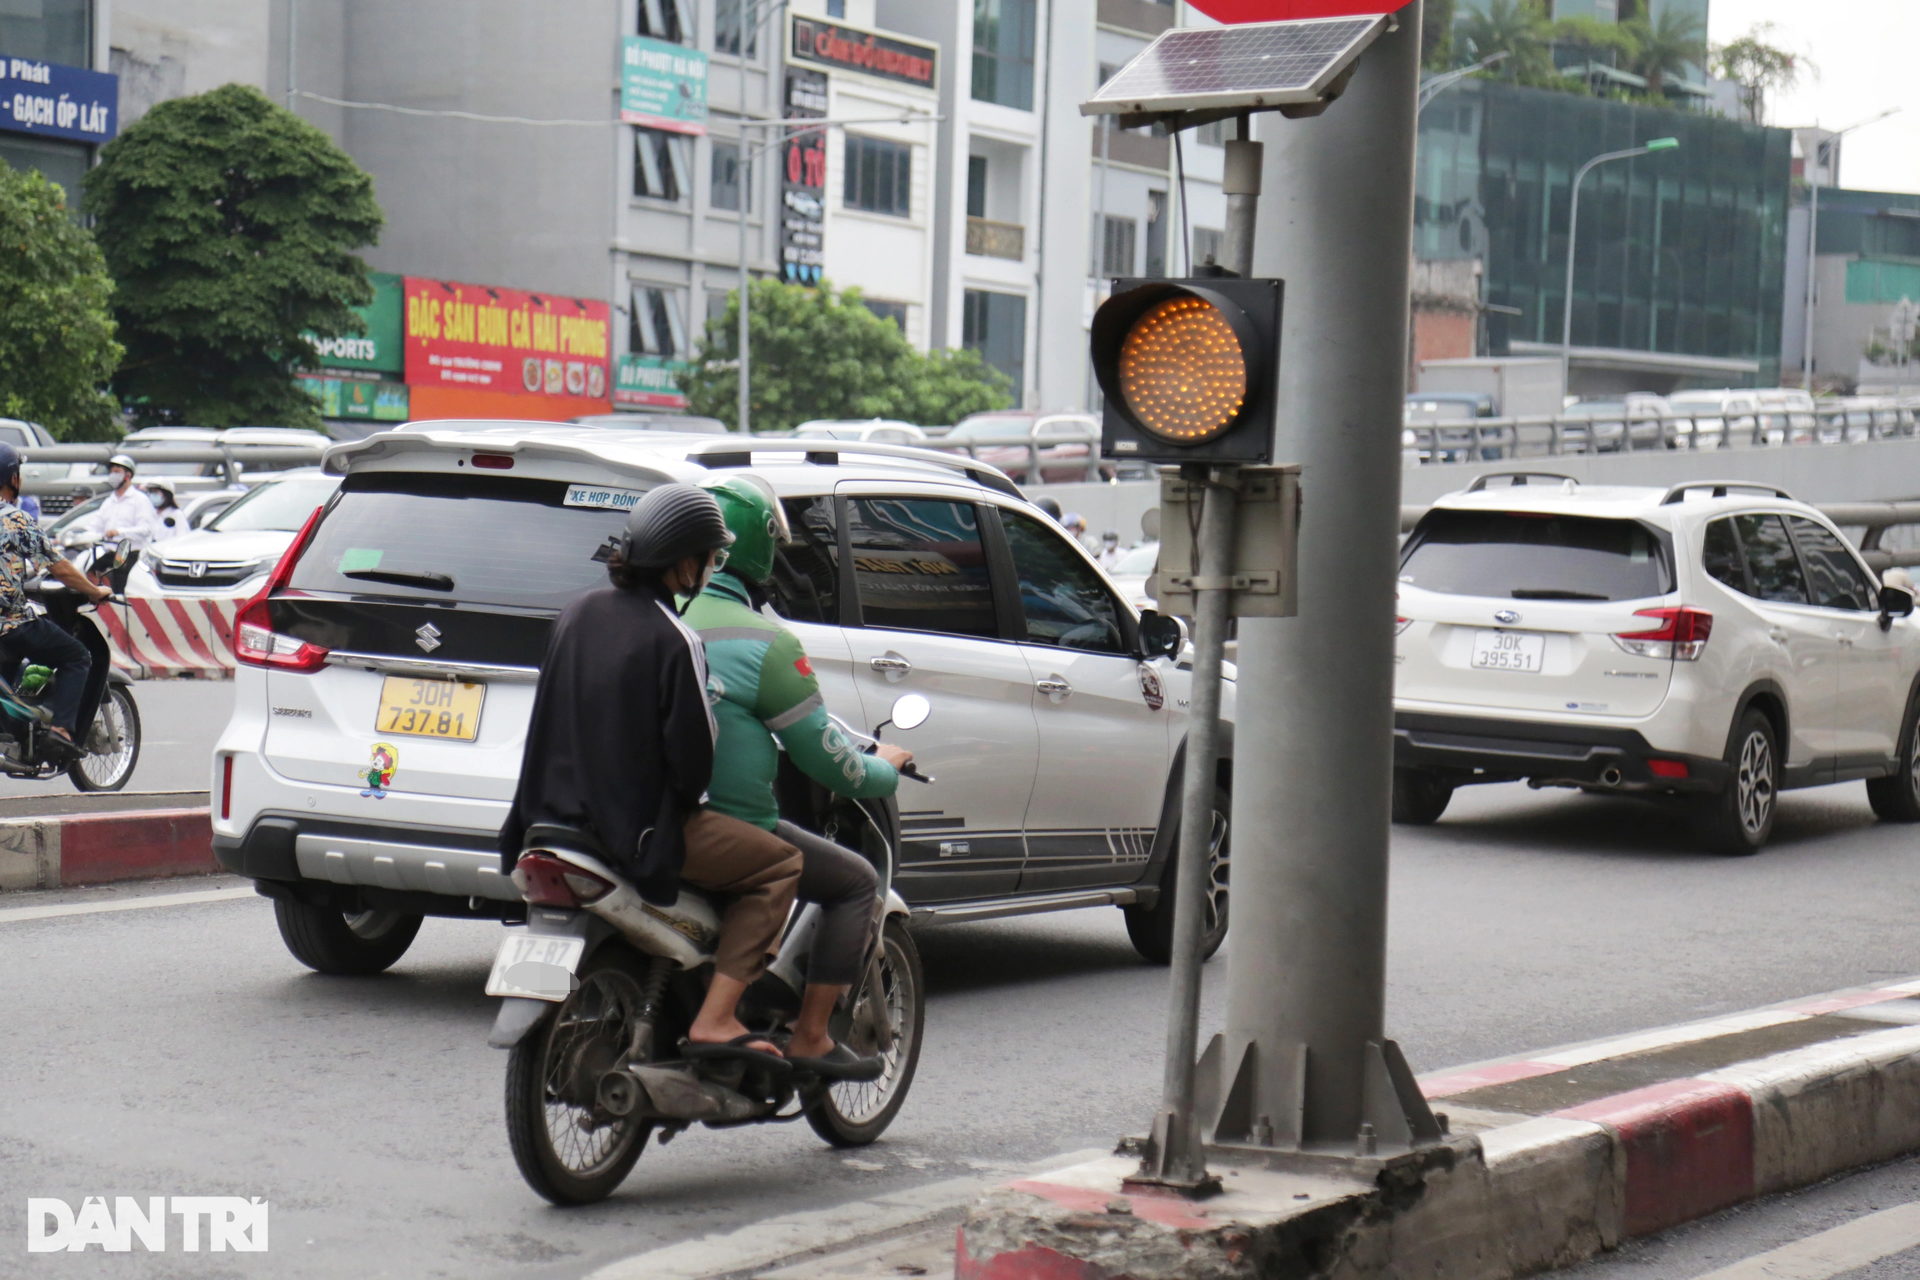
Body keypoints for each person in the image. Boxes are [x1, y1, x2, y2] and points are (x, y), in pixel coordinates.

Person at [500, 483, 804, 1059]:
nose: (709, 570)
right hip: (631, 830)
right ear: (684, 562)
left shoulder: (575, 614)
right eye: (709, 558)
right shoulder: (675, 638)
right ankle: (717, 1019)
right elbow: (691, 769)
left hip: (544, 821)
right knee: (782, 865)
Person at [685, 475, 909, 1078]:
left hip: (630, 813)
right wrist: (882, 771)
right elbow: (822, 756)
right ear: (757, 550)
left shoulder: (656, 612)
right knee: (856, 881)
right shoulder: (764, 641)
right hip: (723, 823)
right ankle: (810, 1037)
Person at [0, 444, 112, 755]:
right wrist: (93, 590)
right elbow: (59, 566)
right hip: (9, 624)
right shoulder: (14, 519)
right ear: (13, 478)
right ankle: (61, 730)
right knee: (76, 655)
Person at [82, 454, 160, 550]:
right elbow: (95, 525)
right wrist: (80, 535)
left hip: (132, 553)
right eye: (111, 472)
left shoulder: (140, 500)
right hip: (109, 552)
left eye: (117, 472)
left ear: (128, 475)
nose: (112, 475)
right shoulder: (109, 501)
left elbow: (146, 529)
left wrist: (119, 532)